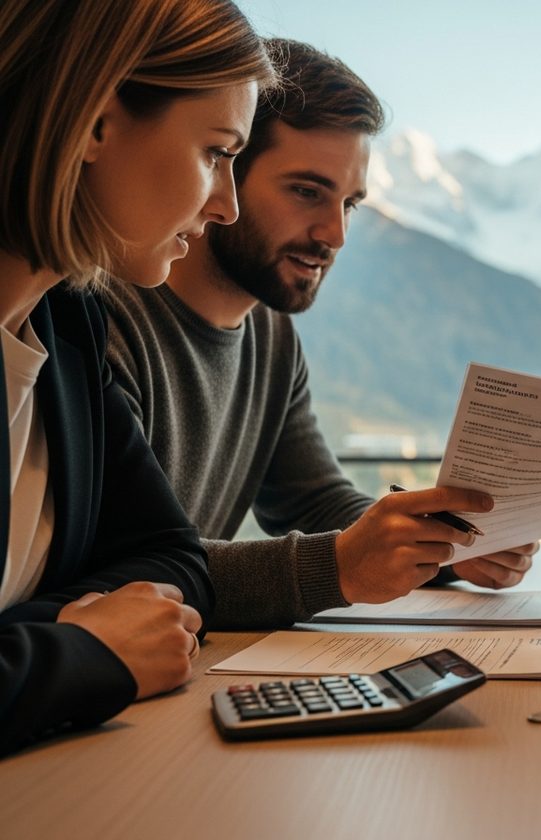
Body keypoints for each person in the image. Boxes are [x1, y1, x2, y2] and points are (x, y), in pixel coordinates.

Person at [104, 40, 538, 631]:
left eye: (350, 204)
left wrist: (443, 547)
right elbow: (122, 568)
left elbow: (311, 501)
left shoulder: (271, 335)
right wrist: (337, 568)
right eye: (306, 192)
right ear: (223, 174)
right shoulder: (104, 323)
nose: (333, 233)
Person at [0, 0, 274, 755]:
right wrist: (78, 650)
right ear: (93, 122)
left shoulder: (70, 327)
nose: (225, 205)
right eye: (218, 153)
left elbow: (173, 556)